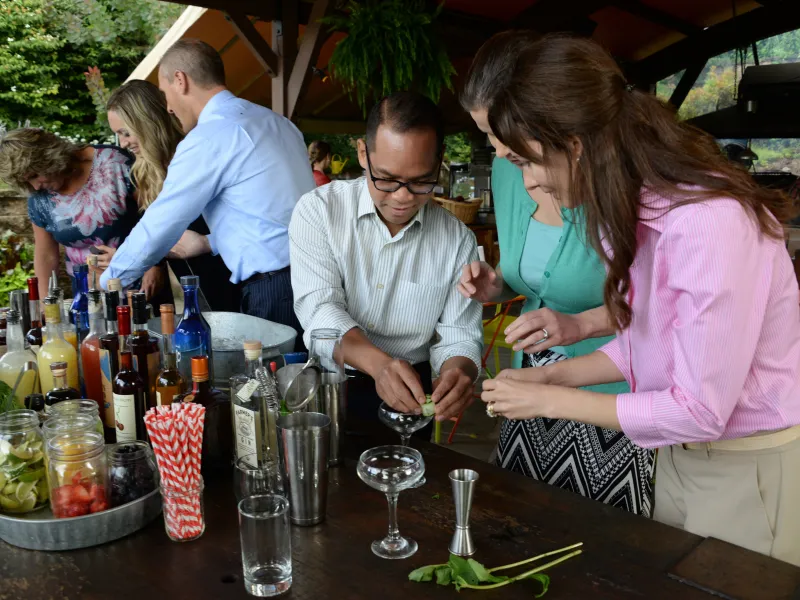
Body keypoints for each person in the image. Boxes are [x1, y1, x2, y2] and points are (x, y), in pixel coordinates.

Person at [475, 33, 800, 566]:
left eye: (529, 161)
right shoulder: (636, 209)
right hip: (675, 458)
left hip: (744, 468)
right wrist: (550, 376)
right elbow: (645, 342)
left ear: (574, 144)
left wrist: (550, 402)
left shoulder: (705, 221)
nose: (530, 181)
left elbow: (699, 410)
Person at [457, 30, 653, 516]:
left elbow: (653, 303)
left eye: (502, 134)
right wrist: (495, 284)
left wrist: (584, 322)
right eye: (486, 134)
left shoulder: (620, 183)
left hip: (612, 393)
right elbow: (530, 274)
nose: (499, 152)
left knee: (601, 537)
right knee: (518, 519)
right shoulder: (508, 172)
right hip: (533, 383)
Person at [290, 91, 482, 431]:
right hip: (333, 381)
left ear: (438, 164)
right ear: (363, 153)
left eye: (422, 181)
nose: (403, 197)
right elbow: (319, 309)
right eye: (387, 179)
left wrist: (458, 372)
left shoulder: (456, 240)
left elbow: (459, 334)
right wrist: (380, 365)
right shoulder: (319, 211)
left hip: (413, 389)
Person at [100, 39, 315, 335]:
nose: (168, 108)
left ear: (180, 80)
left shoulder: (210, 137)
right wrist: (207, 243)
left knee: (270, 381)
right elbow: (270, 218)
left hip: (273, 289)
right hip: (313, 278)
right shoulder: (277, 122)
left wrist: (109, 281)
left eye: (165, 94)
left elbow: (160, 225)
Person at [103, 79, 241, 312]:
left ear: (147, 123)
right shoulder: (145, 171)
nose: (123, 143)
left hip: (233, 278)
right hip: (196, 290)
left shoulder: (197, 152)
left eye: (125, 133)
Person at [0, 128, 165, 300]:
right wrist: (44, 305)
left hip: (140, 287)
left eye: (35, 175)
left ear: (47, 157)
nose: (35, 186)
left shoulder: (115, 163)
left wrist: (155, 265)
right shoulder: (39, 198)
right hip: (87, 296)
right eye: (27, 181)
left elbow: (155, 216)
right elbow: (46, 254)